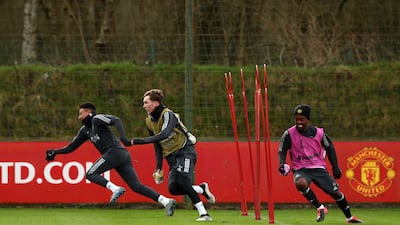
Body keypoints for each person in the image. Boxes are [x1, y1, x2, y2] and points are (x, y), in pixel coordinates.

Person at [45, 102, 176, 216]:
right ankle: (166, 201)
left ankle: (115, 189)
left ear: (89, 112)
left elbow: (116, 120)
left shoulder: (96, 119)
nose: (79, 117)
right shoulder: (85, 130)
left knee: (90, 173)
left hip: (115, 152)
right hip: (120, 155)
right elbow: (71, 147)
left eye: (81, 113)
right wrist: (55, 152)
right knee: (136, 187)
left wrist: (123, 138)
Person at [120, 89, 216, 222]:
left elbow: (164, 134)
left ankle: (204, 214)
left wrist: (137, 141)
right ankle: (201, 188)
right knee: (173, 188)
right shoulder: (149, 121)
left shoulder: (168, 115)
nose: (144, 106)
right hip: (171, 156)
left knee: (184, 181)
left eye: (146, 103)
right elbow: (157, 144)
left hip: (185, 151)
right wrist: (158, 167)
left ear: (155, 103)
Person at [278, 104, 363, 224]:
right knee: (300, 183)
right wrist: (282, 163)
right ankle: (320, 207)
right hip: (301, 168)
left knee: (335, 193)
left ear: (308, 119)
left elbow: (330, 148)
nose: (299, 122)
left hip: (318, 168)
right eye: (296, 119)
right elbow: (282, 149)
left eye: (301, 119)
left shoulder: (319, 133)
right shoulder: (289, 133)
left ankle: (349, 217)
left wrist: (335, 168)